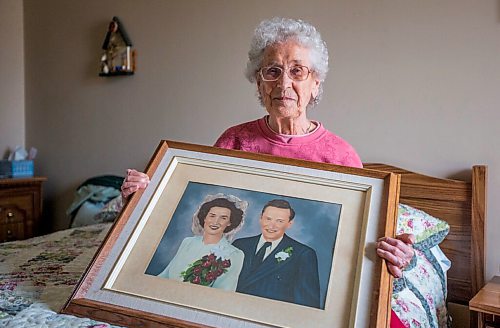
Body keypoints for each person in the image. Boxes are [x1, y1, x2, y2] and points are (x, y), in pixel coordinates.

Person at [121, 17, 414, 281]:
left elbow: (357, 246)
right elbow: (201, 214)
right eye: (272, 71)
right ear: (259, 83)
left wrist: (393, 253)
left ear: (315, 84)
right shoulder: (234, 141)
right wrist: (150, 199)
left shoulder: (340, 156)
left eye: (297, 71)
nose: (283, 83)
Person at [232, 199, 320, 308]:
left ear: (289, 224)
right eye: (268, 219)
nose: (271, 226)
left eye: (279, 221)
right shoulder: (240, 245)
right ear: (261, 218)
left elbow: (307, 303)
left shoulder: (303, 254)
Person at [156, 194, 247, 291]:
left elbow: (222, 293)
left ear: (230, 222)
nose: (215, 222)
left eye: (223, 218)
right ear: (205, 218)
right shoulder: (188, 242)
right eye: (212, 216)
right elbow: (165, 275)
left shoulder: (234, 255)